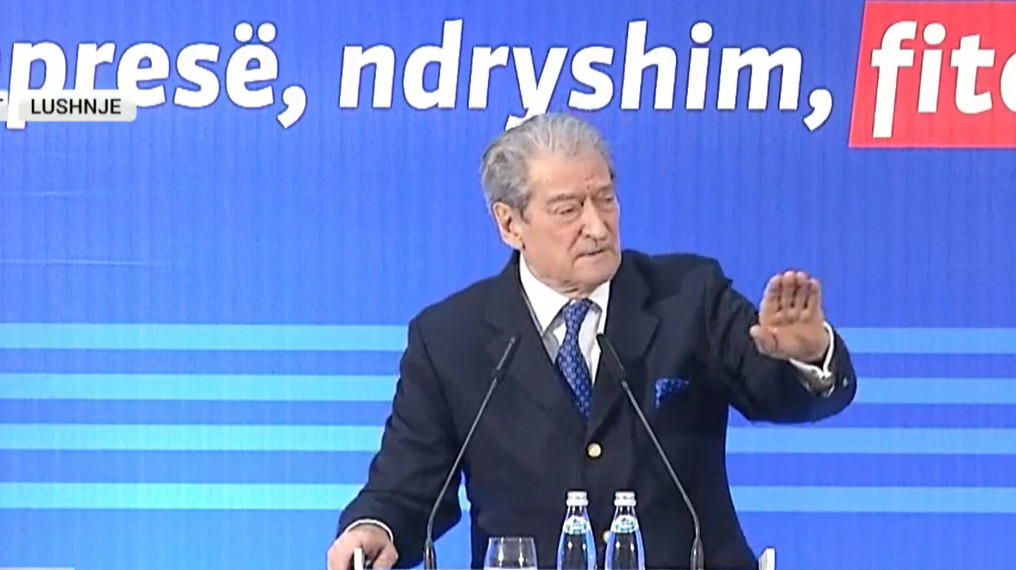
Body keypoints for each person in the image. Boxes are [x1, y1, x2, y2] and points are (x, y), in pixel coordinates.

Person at [327, 113, 857, 570]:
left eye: (605, 199)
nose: (598, 227)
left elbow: (773, 391)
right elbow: (407, 487)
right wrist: (373, 529)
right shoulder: (449, 338)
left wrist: (807, 356)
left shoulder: (687, 296)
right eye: (568, 209)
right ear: (510, 224)